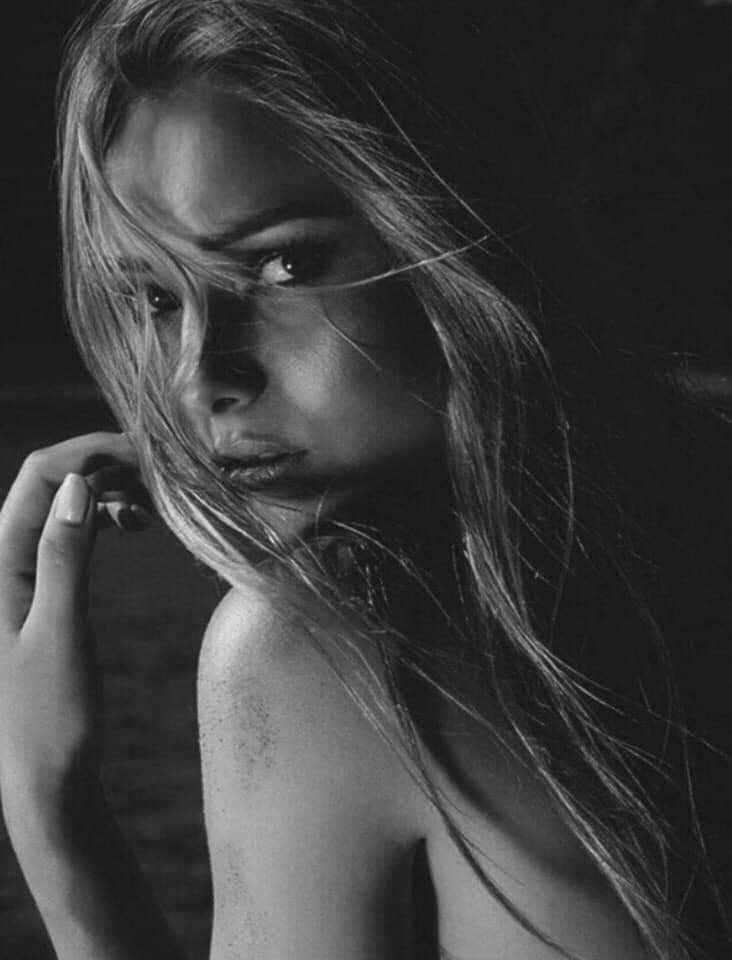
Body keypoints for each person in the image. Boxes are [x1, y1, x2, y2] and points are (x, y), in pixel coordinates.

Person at [0, 1, 725, 958]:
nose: (200, 377)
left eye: (282, 263)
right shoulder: (692, 487)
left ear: (454, 212)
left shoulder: (325, 652)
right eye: (156, 297)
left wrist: (48, 808)